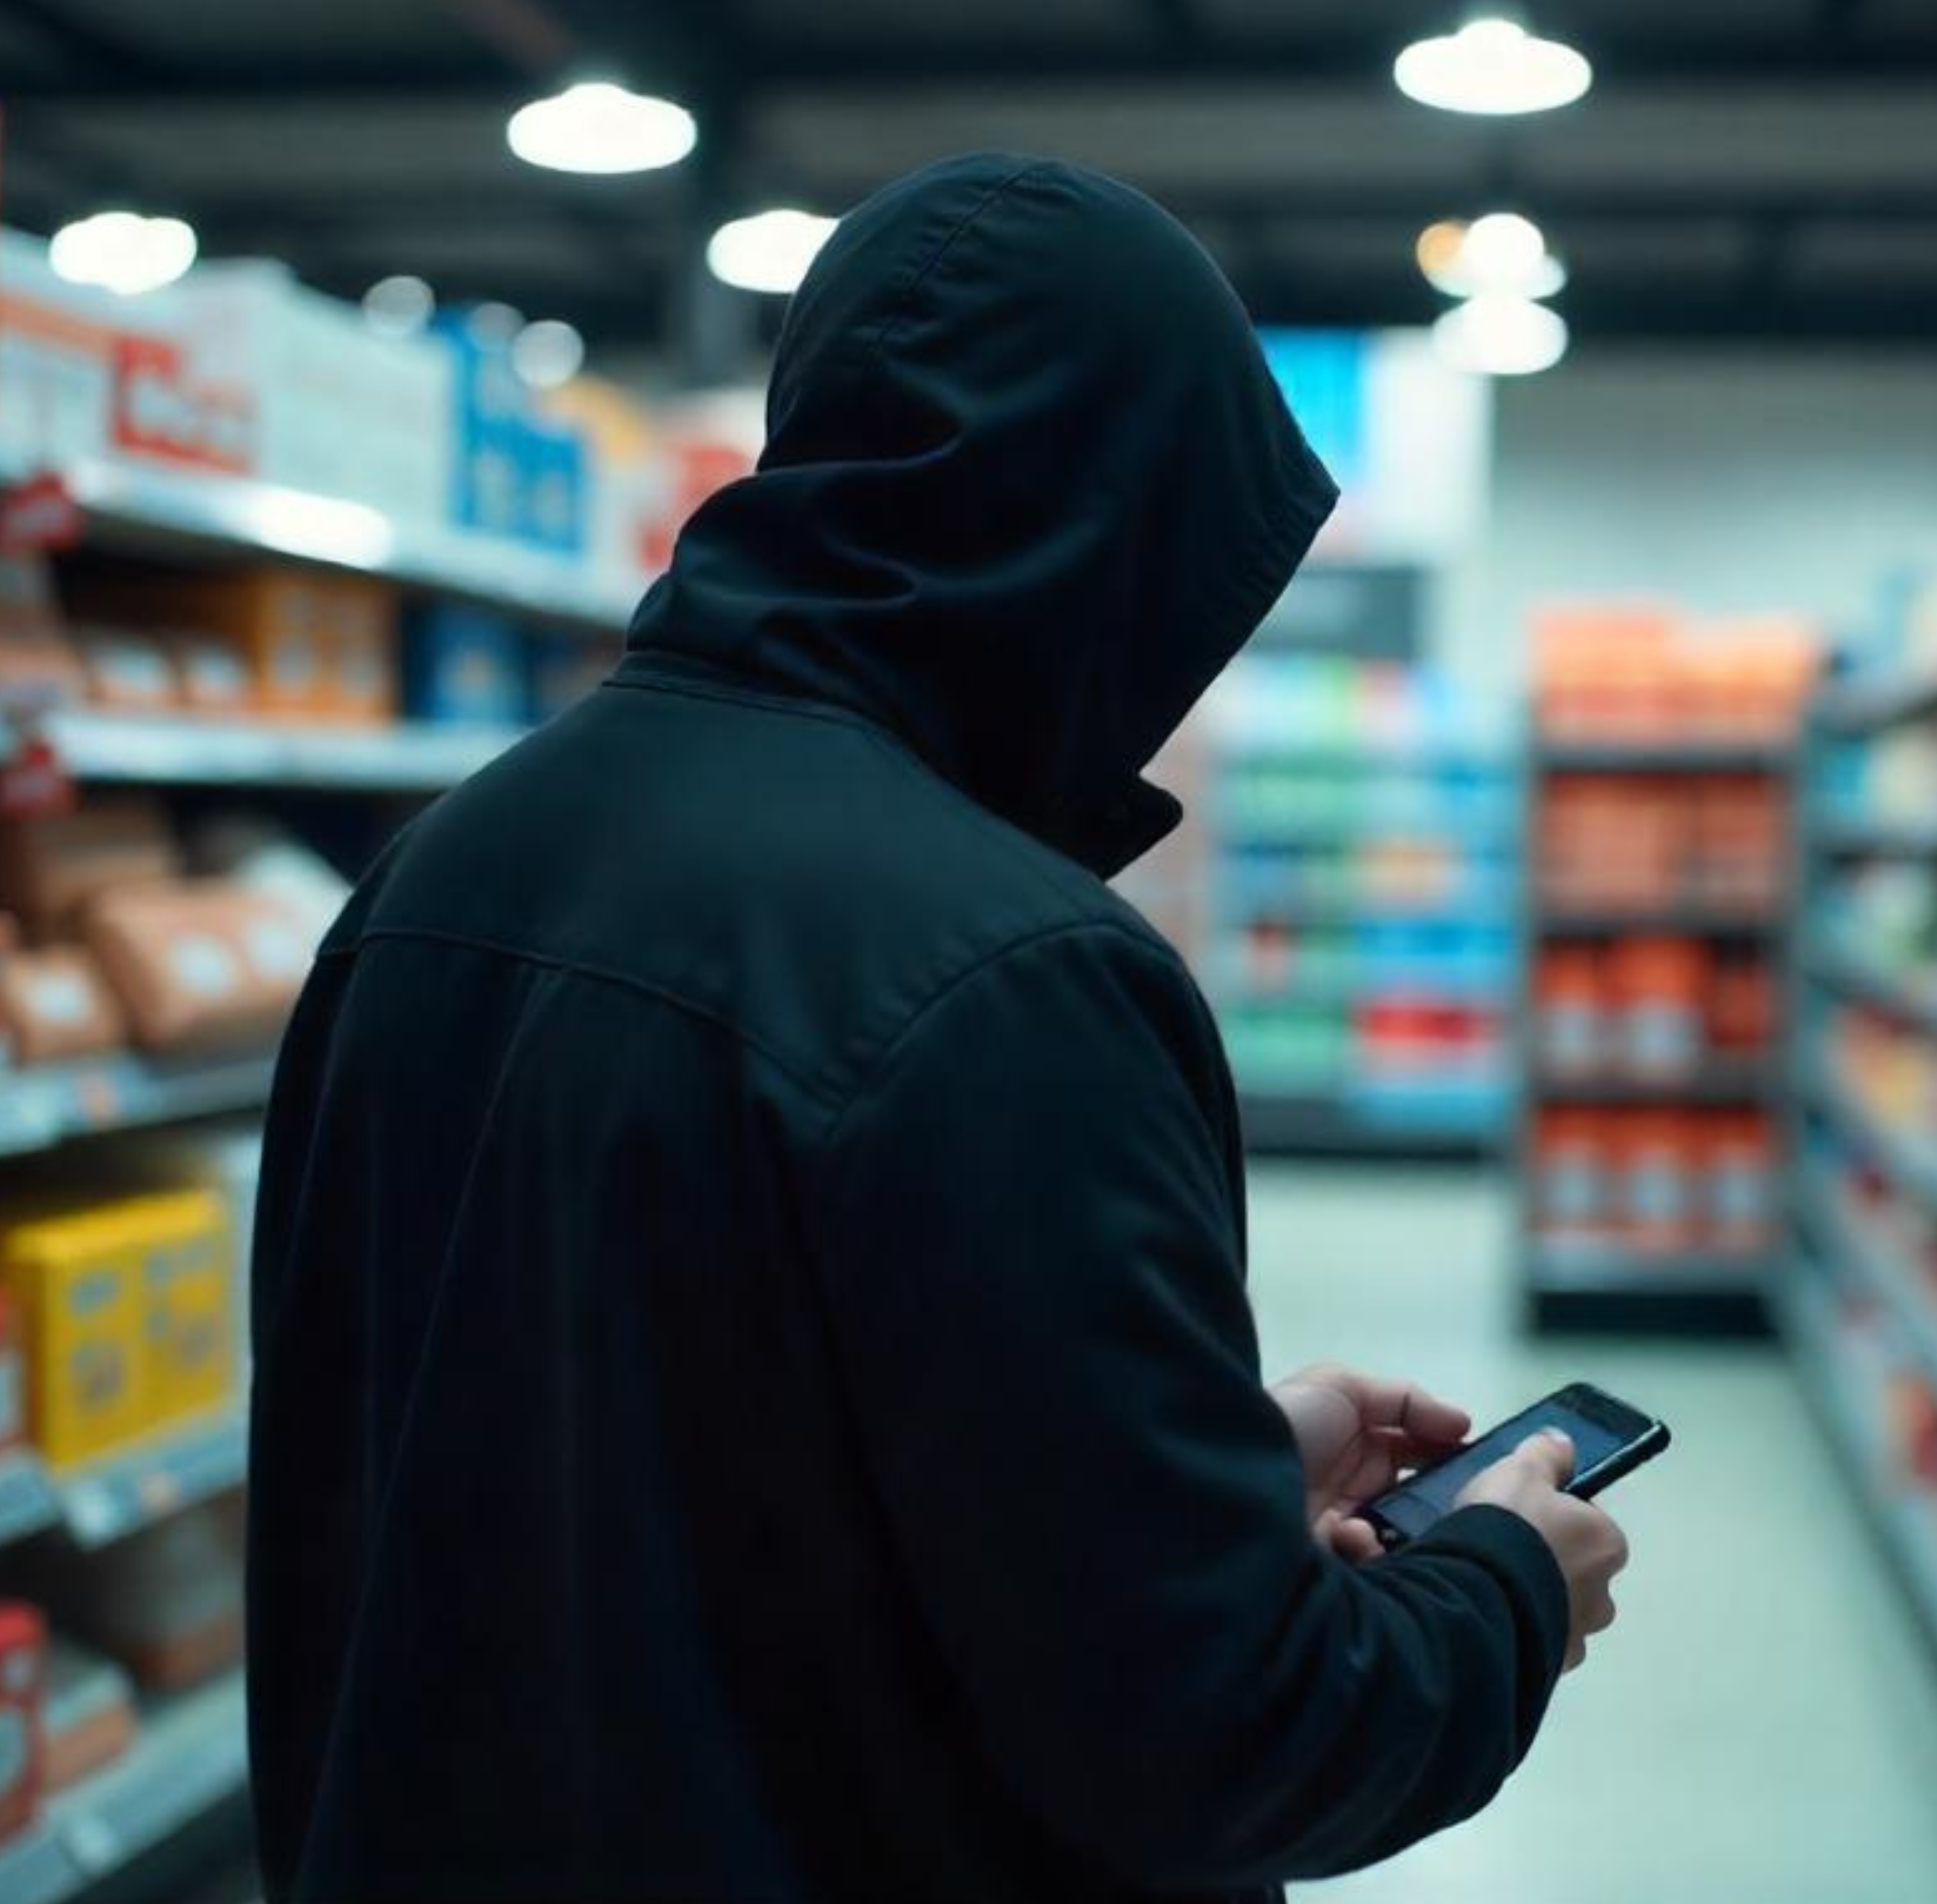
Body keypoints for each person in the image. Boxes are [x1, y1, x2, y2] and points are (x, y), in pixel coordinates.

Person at [244, 151, 1631, 1903]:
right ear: (1116, 533)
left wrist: (1205, 1475)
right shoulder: (1012, 972)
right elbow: (1225, 1739)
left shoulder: (434, 874)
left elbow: (640, 1472)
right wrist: (1502, 1581)